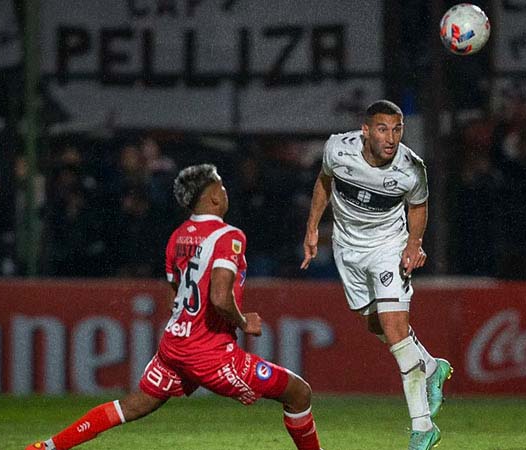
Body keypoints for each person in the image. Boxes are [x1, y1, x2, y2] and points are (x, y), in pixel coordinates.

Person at [27, 164, 323, 450]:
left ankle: (47, 447)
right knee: (299, 392)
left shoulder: (178, 236)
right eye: (221, 185)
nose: (225, 190)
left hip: (175, 347)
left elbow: (173, 295)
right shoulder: (229, 236)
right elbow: (220, 297)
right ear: (214, 196)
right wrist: (243, 321)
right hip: (209, 354)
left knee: (132, 405)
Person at [300, 100, 451, 450]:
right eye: (383, 129)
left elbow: (418, 205)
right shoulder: (338, 148)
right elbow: (324, 182)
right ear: (366, 130)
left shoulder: (411, 168)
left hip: (388, 246)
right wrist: (311, 228)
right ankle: (430, 366)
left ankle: (422, 426)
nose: (391, 137)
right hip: (347, 247)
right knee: (373, 323)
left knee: (396, 331)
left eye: (397, 129)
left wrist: (414, 243)